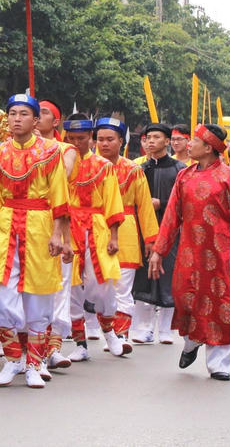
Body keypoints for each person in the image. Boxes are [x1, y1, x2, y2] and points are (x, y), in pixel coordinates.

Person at [0, 95, 71, 389]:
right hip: (6, 224)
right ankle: (13, 358)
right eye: (12, 113)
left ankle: (34, 364)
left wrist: (58, 234)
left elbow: (59, 196)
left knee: (38, 296)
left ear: (35, 120)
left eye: (24, 114)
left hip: (39, 225)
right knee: (1, 294)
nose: (17, 119)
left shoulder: (51, 152)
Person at [148, 123, 230, 381]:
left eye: (195, 140)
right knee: (185, 299)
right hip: (188, 250)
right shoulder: (185, 176)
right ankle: (191, 341)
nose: (189, 144)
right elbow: (172, 215)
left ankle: (220, 364)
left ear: (208, 148)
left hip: (221, 252)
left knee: (221, 306)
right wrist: (158, 251)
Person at [60, 115, 129, 362]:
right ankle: (80, 343)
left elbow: (112, 201)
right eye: (72, 139)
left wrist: (114, 236)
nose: (77, 143)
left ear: (91, 138)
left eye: (82, 138)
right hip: (68, 228)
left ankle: (110, 332)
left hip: (96, 228)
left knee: (102, 286)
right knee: (71, 288)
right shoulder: (60, 164)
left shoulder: (103, 166)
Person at [97, 118, 158, 343]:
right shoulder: (89, 167)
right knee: (99, 287)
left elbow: (144, 206)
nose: (104, 144)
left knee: (122, 287)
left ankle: (120, 334)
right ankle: (99, 330)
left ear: (121, 141)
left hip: (126, 231)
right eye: (100, 139)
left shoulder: (133, 170)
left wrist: (151, 239)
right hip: (96, 228)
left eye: (110, 139)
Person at [34, 100, 79, 374]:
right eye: (33, 113)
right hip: (24, 226)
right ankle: (29, 349)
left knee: (59, 289)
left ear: (56, 122)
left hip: (58, 225)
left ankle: (53, 347)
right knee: (31, 290)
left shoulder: (66, 149)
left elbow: (63, 173)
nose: (37, 118)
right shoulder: (16, 149)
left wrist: (41, 148)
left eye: (44, 113)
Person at [131, 123, 186, 344]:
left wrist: (160, 203)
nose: (151, 141)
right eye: (148, 137)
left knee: (168, 276)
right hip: (143, 231)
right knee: (143, 278)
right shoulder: (139, 169)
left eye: (156, 137)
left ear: (167, 141)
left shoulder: (179, 169)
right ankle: (144, 328)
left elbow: (185, 201)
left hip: (170, 231)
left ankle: (166, 329)